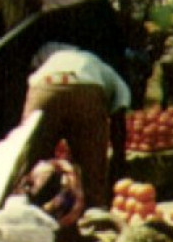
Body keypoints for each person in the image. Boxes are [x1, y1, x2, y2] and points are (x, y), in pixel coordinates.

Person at [22, 43, 130, 208]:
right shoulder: (112, 76)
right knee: (91, 174)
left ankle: (28, 211)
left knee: (32, 165)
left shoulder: (51, 62)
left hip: (43, 87)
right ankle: (93, 216)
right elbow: (119, 125)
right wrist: (118, 161)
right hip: (87, 91)